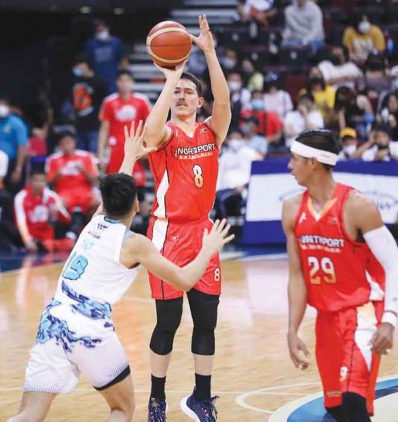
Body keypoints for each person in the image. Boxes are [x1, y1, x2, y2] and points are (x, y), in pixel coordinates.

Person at [7, 121, 234, 422]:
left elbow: (116, 190)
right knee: (122, 409)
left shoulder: (93, 222)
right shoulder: (135, 244)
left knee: (29, 414)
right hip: (87, 327)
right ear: (137, 205)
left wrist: (129, 155)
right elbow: (185, 279)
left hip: (53, 321)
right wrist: (209, 247)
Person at [142, 15, 231, 421]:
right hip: (167, 234)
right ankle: (157, 398)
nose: (181, 96)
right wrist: (168, 78)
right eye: (176, 92)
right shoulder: (165, 136)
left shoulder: (212, 132)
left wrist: (209, 54)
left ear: (199, 101)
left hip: (202, 233)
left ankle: (201, 397)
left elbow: (225, 101)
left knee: (206, 321)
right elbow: (149, 130)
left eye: (187, 93)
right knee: (168, 322)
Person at [282, 129, 398, 422]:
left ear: (313, 162)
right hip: (326, 319)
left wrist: (389, 319)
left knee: (352, 402)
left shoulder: (357, 206)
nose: (289, 165)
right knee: (336, 408)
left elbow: (394, 264)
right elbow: (297, 275)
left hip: (362, 314)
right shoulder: (291, 209)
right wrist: (292, 329)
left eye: (294, 159)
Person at [98, 70, 151, 185]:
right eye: (121, 80)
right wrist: (101, 153)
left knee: (139, 191)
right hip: (115, 150)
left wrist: (149, 148)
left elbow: (150, 126)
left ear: (132, 82)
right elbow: (104, 130)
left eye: (127, 80)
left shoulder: (142, 101)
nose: (124, 83)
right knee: (115, 187)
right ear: (117, 82)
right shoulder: (109, 102)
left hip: (136, 150)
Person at [45, 132, 99, 235]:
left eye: (68, 143)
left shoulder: (86, 156)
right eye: (63, 144)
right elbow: (49, 183)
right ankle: (59, 234)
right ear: (59, 146)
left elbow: (94, 182)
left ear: (74, 142)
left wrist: (84, 171)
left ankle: (91, 232)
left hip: (85, 192)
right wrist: (57, 175)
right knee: (55, 207)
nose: (66, 146)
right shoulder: (54, 159)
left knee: (101, 204)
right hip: (63, 192)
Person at [14, 169, 73, 253]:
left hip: (47, 236)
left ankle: (49, 245)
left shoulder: (52, 196)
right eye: (36, 180)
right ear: (30, 181)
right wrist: (28, 241)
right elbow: (21, 222)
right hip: (29, 235)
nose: (39, 184)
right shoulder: (21, 197)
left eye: (42, 181)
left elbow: (67, 219)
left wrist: (58, 210)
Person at [0, 98, 28, 194]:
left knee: (13, 190)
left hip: (12, 162)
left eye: (4, 105)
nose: (1, 108)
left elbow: (22, 147)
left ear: (9, 108)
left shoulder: (17, 123)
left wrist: (18, 169)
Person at [215, 129, 256, 219]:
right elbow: (219, 175)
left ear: (243, 139)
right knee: (216, 198)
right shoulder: (225, 156)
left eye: (237, 138)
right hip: (224, 189)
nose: (234, 141)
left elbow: (255, 173)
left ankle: (224, 229)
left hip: (243, 189)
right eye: (232, 138)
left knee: (221, 199)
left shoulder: (250, 153)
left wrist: (245, 186)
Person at [72, 57, 108, 153]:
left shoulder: (99, 82)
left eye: (79, 65)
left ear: (86, 65)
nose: (77, 68)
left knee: (93, 155)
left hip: (94, 125)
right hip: (79, 125)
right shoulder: (76, 81)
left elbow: (105, 102)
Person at [83, 19, 125, 94]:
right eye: (98, 31)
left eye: (102, 30)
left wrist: (123, 76)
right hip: (96, 79)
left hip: (112, 79)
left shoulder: (116, 42)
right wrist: (88, 72)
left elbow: (123, 60)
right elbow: (84, 61)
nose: (100, 32)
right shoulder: (91, 44)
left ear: (107, 28)